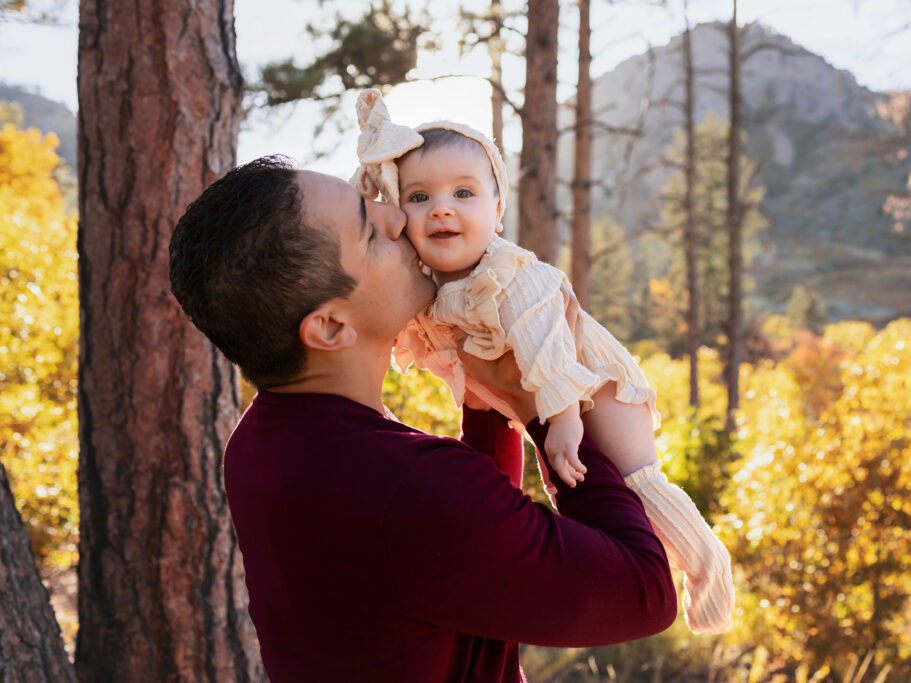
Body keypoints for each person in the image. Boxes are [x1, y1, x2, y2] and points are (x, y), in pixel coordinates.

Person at [168, 155, 677, 681]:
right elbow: (646, 593)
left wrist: (486, 404)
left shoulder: (260, 444)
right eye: (370, 233)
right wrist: (544, 407)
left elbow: (466, 556)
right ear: (329, 325)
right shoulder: (408, 489)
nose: (396, 218)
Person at [350, 89, 734, 635]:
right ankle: (679, 566)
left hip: (593, 388)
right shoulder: (436, 289)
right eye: (419, 197)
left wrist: (563, 420)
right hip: (544, 400)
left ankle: (706, 570)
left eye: (464, 192)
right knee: (574, 488)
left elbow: (549, 345)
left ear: (497, 208)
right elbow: (477, 383)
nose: (442, 208)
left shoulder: (510, 272)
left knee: (638, 482)